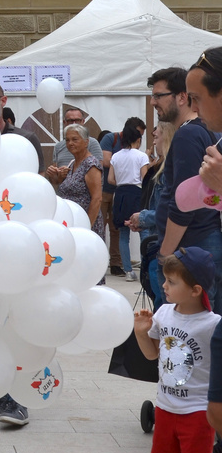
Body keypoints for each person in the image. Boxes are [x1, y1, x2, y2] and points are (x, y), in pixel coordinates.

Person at [134, 248, 222, 453]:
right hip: (166, 406)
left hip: (197, 409)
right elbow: (151, 355)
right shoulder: (163, 313)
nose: (164, 286)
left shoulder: (213, 324)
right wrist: (142, 332)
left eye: (171, 281)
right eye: (165, 280)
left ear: (196, 290)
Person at [0, 77, 45, 427]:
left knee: (19, 320)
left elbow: (37, 190)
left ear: (3, 101)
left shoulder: (23, 140)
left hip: (19, 241)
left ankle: (19, 399)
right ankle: (0, 390)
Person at [149, 66, 222, 313]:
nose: (153, 102)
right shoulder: (198, 132)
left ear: (182, 97)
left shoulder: (188, 135)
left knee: (186, 332)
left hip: (189, 249)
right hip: (196, 246)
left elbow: (184, 204)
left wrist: (166, 253)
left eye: (159, 96)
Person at [128, 122, 175, 309]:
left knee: (163, 303)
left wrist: (144, 217)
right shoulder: (161, 166)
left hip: (162, 244)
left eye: (156, 136)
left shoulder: (168, 171)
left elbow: (170, 211)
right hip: (155, 238)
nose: (153, 138)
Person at [100, 116, 146, 275]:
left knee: (122, 233)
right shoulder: (141, 156)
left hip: (118, 193)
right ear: (137, 139)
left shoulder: (116, 156)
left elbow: (110, 179)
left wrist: (122, 180)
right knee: (142, 232)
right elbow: (145, 178)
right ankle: (144, 270)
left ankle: (127, 270)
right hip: (136, 193)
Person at [58, 124, 105, 237]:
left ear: (86, 142)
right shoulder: (73, 163)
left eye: (75, 139)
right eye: (67, 140)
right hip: (72, 222)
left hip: (87, 224)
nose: (70, 143)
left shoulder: (91, 164)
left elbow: (97, 198)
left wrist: (87, 226)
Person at [47, 107, 103, 181]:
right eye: (70, 121)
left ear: (83, 121)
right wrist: (55, 174)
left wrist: (71, 173)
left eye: (77, 120)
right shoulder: (58, 146)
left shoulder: (92, 143)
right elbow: (55, 181)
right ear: (64, 123)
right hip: (63, 191)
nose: (74, 123)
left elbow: (99, 173)